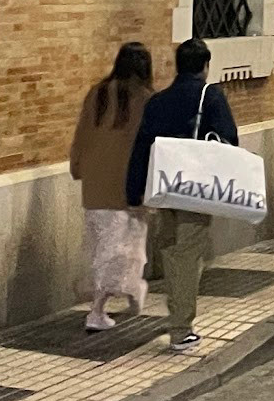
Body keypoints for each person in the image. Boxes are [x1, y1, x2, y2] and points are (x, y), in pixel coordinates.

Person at [126, 38, 240, 354]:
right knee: (187, 255)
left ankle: (177, 316)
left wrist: (134, 191)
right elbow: (229, 139)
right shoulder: (211, 96)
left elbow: (140, 149)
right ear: (206, 65)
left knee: (175, 252)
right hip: (197, 189)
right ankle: (180, 328)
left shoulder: (158, 101)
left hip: (166, 187)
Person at [67, 41, 154, 330]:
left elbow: (82, 133)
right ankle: (101, 308)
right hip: (128, 186)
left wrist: (76, 166)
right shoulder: (145, 99)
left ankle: (127, 293)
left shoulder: (97, 94)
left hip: (95, 182)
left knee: (105, 246)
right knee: (126, 246)